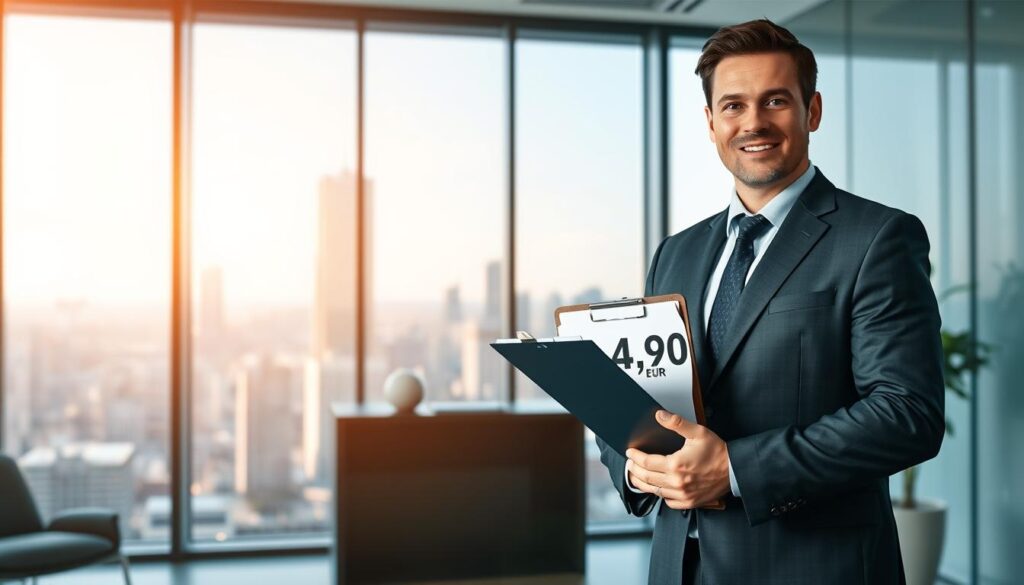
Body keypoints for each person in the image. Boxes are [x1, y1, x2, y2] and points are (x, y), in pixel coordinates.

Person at [596, 18, 944, 585]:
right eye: (732, 106)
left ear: (813, 111)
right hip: (678, 566)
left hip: (813, 568)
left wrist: (734, 469)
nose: (753, 122)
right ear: (710, 123)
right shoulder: (675, 253)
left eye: (775, 100)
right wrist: (638, 470)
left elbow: (908, 414)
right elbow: (640, 397)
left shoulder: (877, 238)